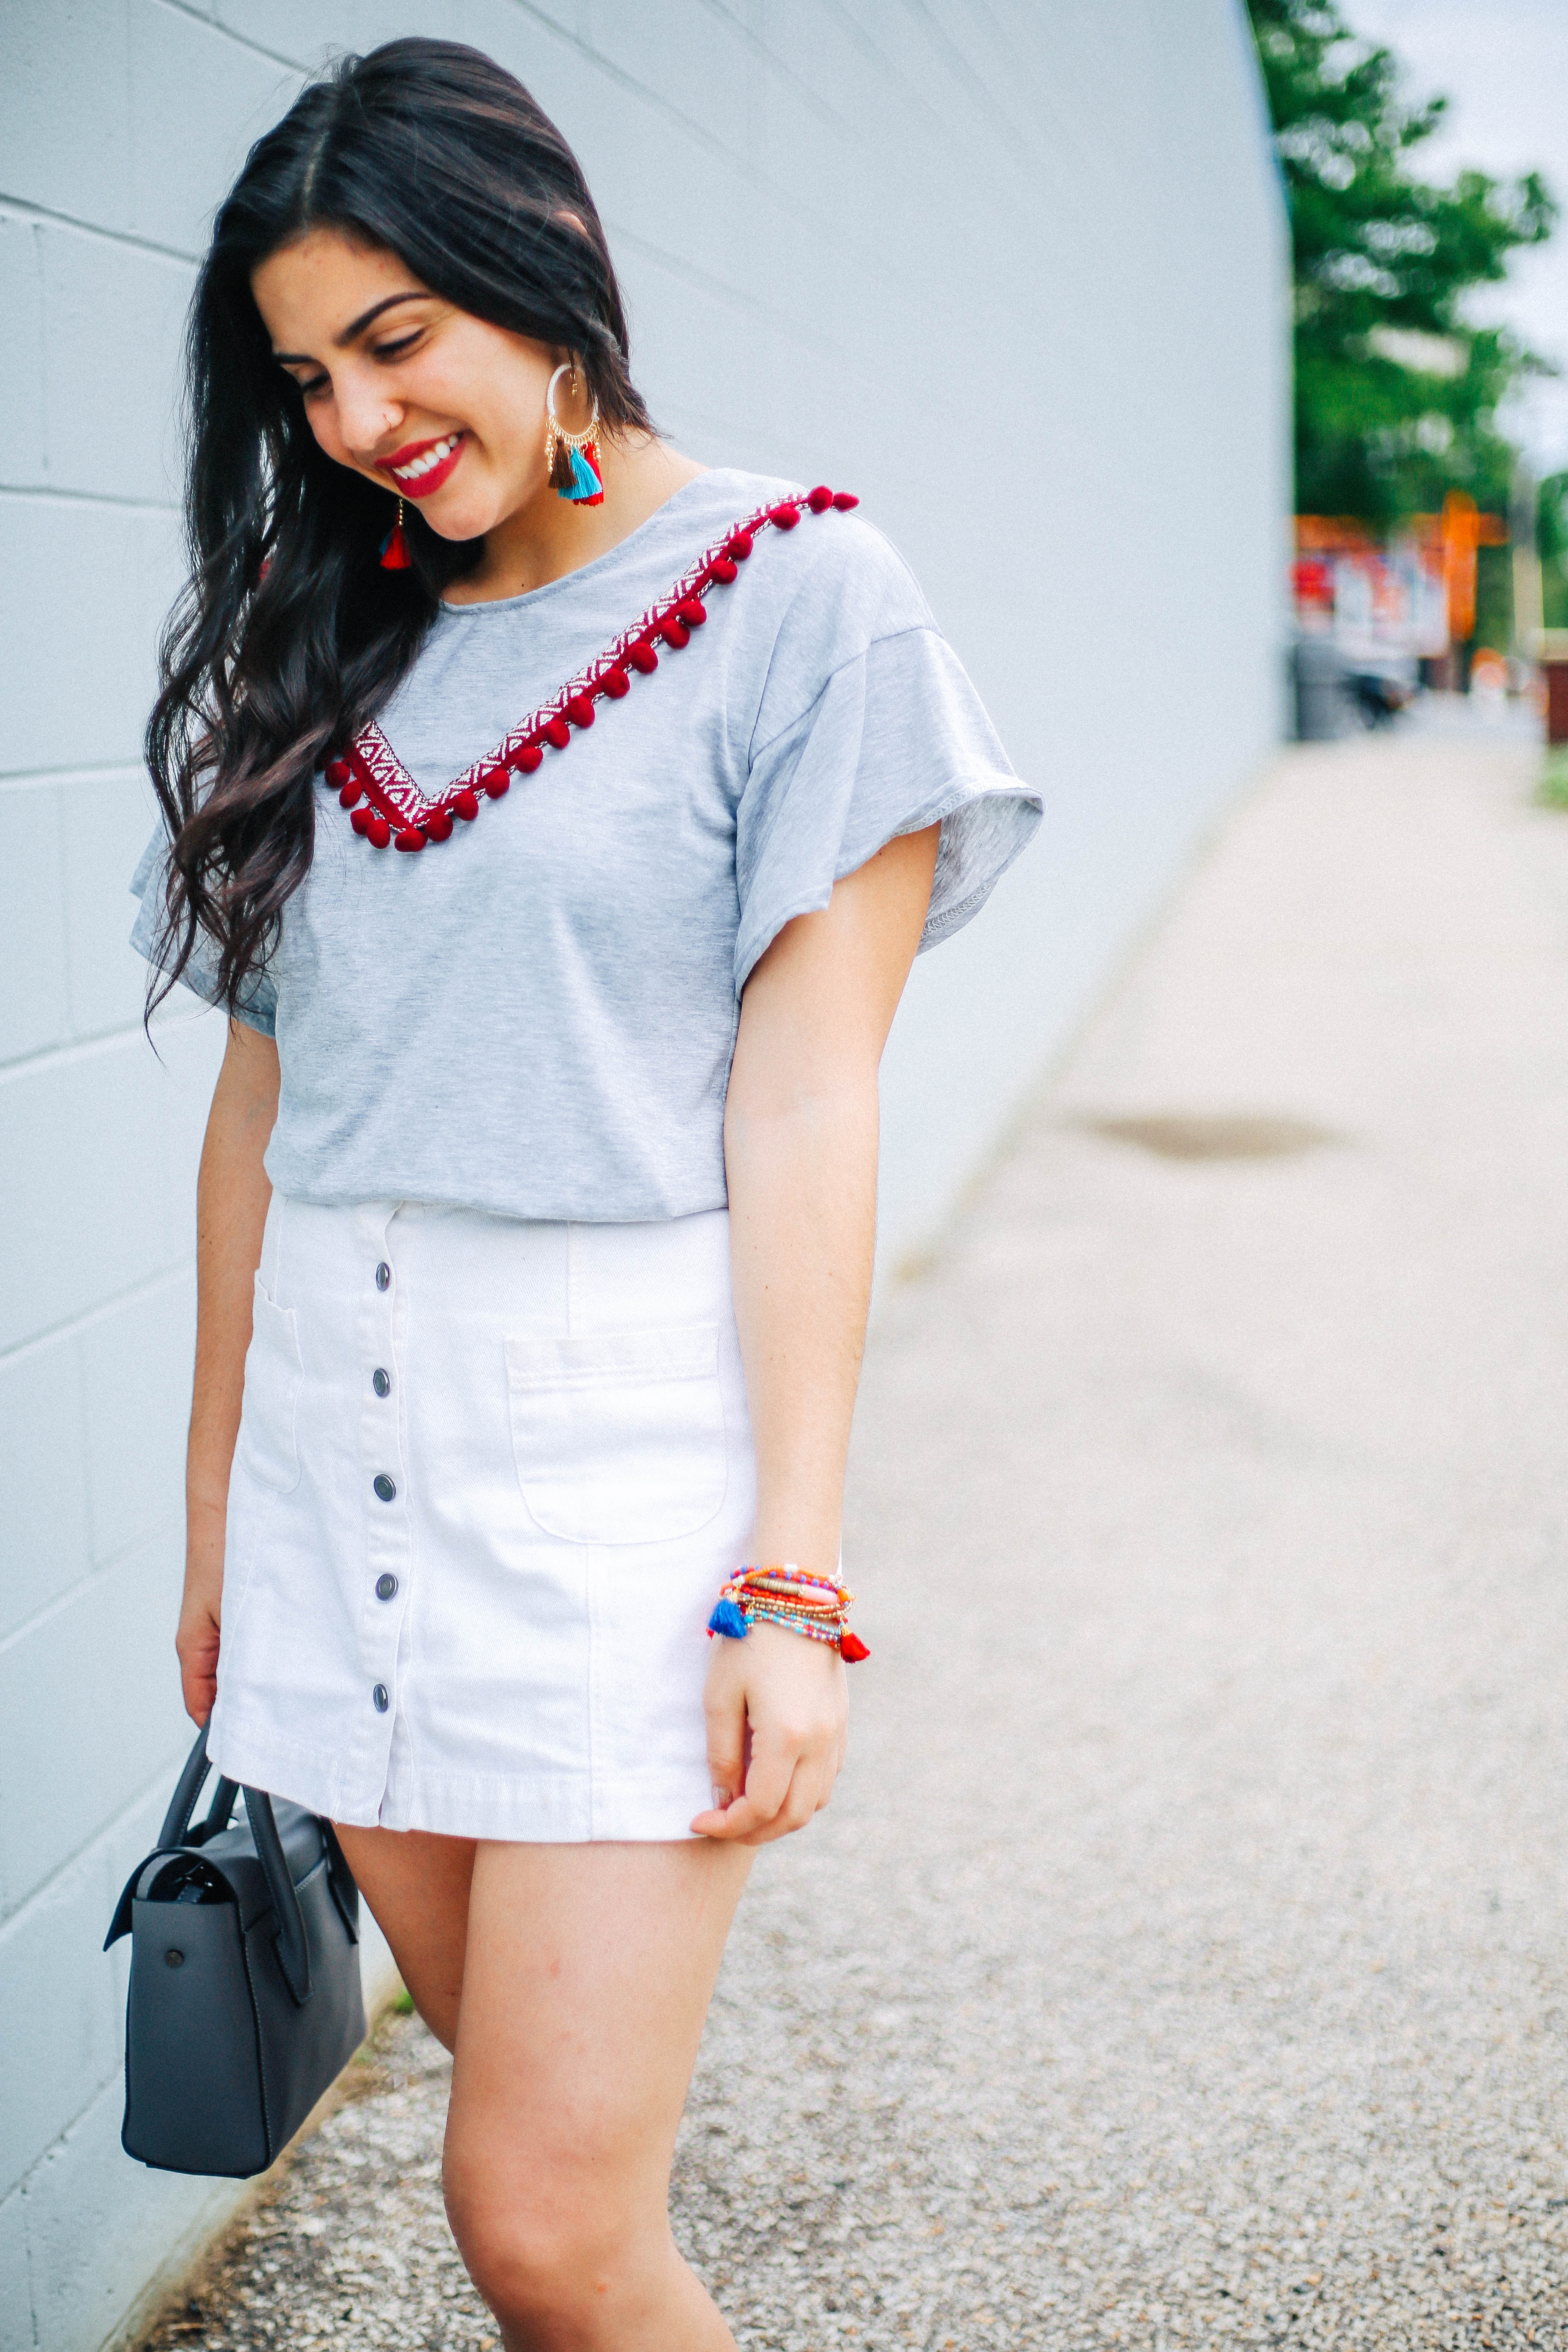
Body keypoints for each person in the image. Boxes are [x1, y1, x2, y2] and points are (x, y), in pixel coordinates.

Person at [133, 37, 1037, 2350]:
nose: (357, 422)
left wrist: (793, 1577)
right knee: (527, 2173)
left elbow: (807, 1110)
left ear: (539, 265)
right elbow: (263, 1101)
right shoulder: (326, 616)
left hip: (618, 1465)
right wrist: (220, 1512)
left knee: (543, 2222)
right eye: (304, 379)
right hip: (337, 1446)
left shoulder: (805, 599)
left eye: (396, 340)